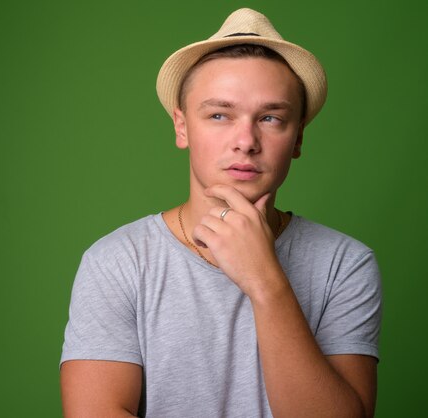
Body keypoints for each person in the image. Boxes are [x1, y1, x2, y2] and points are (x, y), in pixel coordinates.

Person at [60, 8, 382, 418]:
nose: (245, 141)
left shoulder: (345, 264)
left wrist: (265, 281)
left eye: (270, 118)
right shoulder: (117, 262)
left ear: (297, 138)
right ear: (181, 127)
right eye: (219, 115)